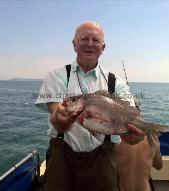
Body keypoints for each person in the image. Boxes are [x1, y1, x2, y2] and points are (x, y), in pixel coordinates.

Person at [35, 21, 145, 191]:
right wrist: (61, 119)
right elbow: (57, 119)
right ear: (74, 44)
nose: (90, 44)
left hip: (103, 159)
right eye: (84, 39)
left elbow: (131, 115)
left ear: (103, 47)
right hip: (61, 158)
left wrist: (134, 135)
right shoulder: (57, 75)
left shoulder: (116, 82)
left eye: (95, 40)